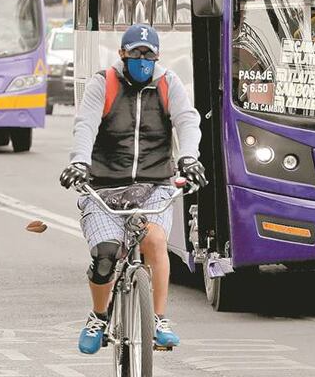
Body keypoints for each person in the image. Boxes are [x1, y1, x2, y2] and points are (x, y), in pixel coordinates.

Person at [60, 24, 206, 354]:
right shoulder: (105, 83)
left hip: (154, 184)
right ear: (122, 55)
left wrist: (188, 158)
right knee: (106, 257)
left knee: (155, 240)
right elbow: (86, 124)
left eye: (149, 55)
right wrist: (80, 162)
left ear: (158, 57)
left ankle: (159, 320)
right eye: (136, 54)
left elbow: (187, 121)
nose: (143, 60)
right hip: (104, 186)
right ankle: (98, 316)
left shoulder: (169, 84)